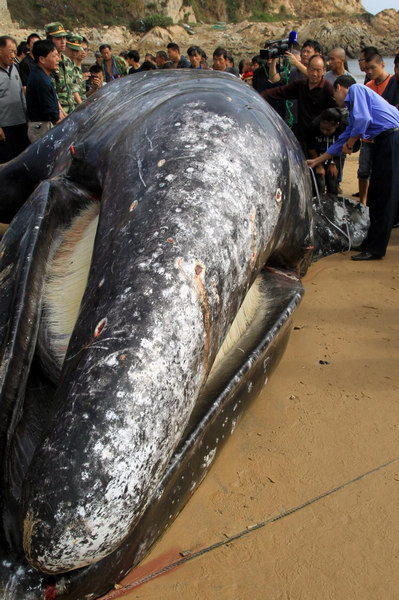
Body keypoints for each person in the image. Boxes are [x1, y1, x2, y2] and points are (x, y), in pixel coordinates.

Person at [306, 75, 399, 261]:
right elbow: (343, 139)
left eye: (335, 95)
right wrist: (317, 161)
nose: (336, 100)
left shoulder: (356, 90)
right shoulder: (352, 108)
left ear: (339, 87)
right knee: (375, 194)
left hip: (392, 138)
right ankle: (370, 242)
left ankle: (376, 248)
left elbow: (363, 121)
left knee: (384, 195)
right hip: (382, 140)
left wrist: (351, 142)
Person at [261, 54, 335, 155]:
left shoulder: (328, 89)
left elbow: (335, 116)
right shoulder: (301, 85)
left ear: (324, 70)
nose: (314, 74)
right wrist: (257, 97)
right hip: (302, 139)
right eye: (312, 69)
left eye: (318, 70)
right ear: (307, 68)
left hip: (321, 140)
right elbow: (279, 92)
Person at [0, 35, 29, 164]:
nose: (13, 55)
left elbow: (21, 96)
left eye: (15, 52)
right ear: (0, 50)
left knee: (21, 160)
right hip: (5, 127)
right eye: (10, 51)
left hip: (20, 123)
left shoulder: (15, 69)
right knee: (6, 162)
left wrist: (27, 117)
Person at [26, 39, 62, 142]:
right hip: (41, 128)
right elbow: (50, 112)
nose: (58, 59)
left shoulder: (42, 75)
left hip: (44, 125)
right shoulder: (41, 80)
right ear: (42, 59)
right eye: (54, 56)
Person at [306, 108, 348, 196]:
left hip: (335, 155)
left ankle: (333, 201)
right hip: (317, 154)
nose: (324, 132)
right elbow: (311, 148)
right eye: (322, 128)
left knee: (333, 178)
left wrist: (333, 163)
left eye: (328, 130)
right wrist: (319, 165)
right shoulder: (313, 126)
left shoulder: (343, 128)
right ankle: (318, 203)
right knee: (319, 181)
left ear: (337, 125)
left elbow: (342, 148)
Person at [45, 22, 75, 117]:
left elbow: (73, 87)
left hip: (71, 112)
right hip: (57, 115)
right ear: (50, 40)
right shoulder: (46, 63)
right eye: (58, 38)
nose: (63, 41)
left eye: (64, 38)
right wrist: (62, 113)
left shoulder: (68, 61)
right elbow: (51, 93)